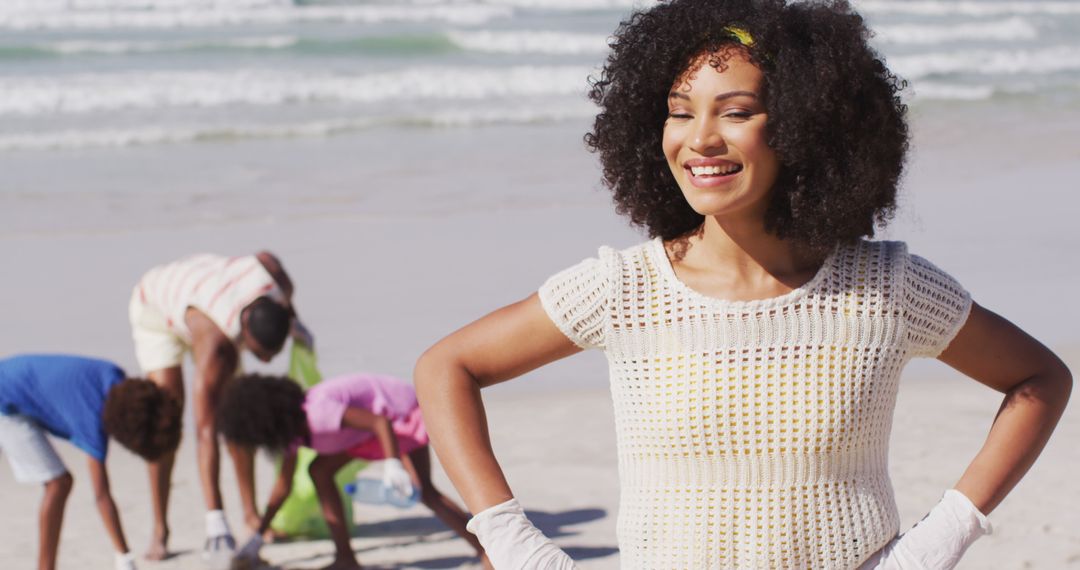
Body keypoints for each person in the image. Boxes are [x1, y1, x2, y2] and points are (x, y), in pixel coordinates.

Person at [412, 0, 1073, 568]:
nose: (700, 139)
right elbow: (448, 366)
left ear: (804, 126)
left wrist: (944, 539)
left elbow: (1040, 379)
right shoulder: (622, 289)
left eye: (736, 112)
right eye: (679, 111)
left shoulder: (885, 288)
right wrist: (510, 538)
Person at [128, 251, 312, 561]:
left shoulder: (277, 282)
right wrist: (216, 518)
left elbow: (265, 257)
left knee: (239, 417)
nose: (265, 362)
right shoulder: (218, 346)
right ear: (244, 334)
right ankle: (160, 530)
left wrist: (298, 324)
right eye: (260, 354)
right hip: (157, 306)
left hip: (207, 284)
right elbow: (205, 430)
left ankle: (251, 516)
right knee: (166, 423)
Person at [216, 373, 491, 570]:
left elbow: (380, 422)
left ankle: (486, 551)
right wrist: (257, 537)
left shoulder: (317, 414)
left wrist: (393, 464)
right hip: (363, 436)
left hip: (401, 414)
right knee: (319, 470)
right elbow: (282, 488)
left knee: (426, 492)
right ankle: (345, 558)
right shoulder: (295, 434)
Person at [0, 354, 182, 570]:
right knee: (58, 484)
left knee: (60, 482)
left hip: (12, 377)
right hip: (5, 399)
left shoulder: (114, 376)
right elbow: (101, 496)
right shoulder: (92, 419)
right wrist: (125, 557)